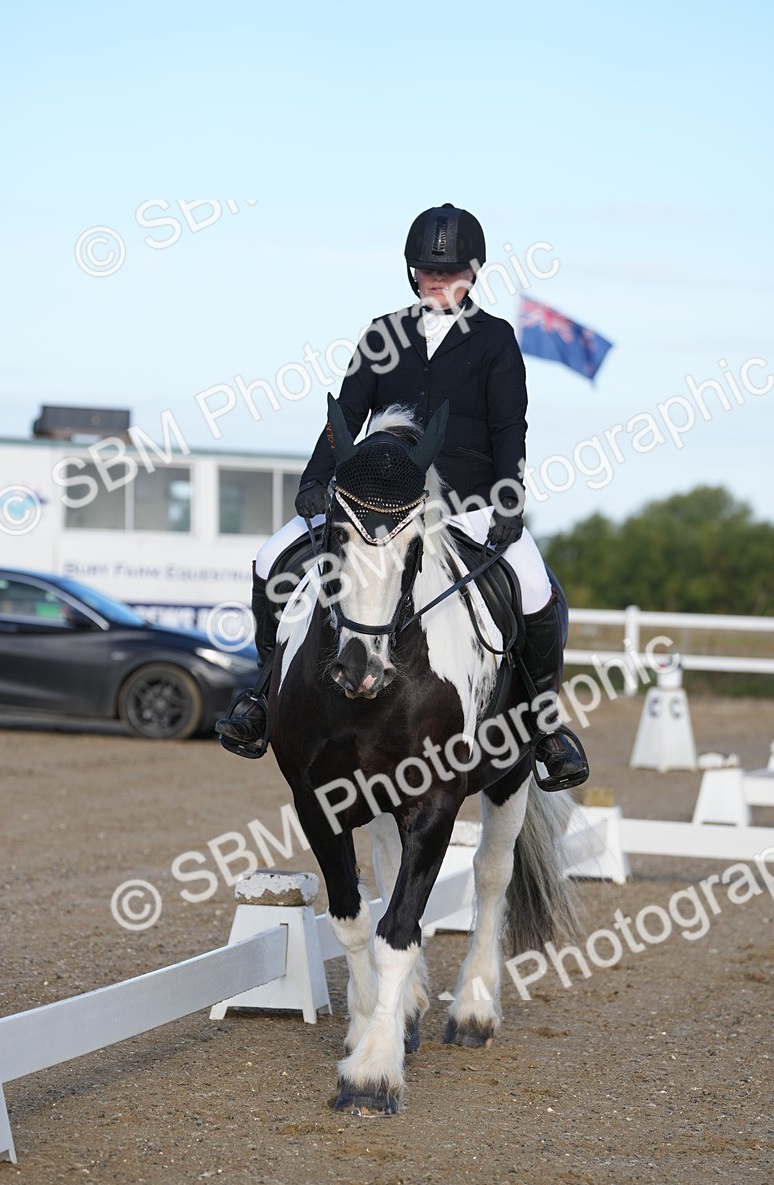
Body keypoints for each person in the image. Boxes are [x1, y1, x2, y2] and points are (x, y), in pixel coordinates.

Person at [216, 203, 588, 789]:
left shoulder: (496, 340)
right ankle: (263, 695)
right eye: (427, 271)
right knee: (270, 559)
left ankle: (545, 730)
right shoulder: (384, 333)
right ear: (412, 272)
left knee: (536, 590)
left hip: (467, 503)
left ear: (473, 273)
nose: (438, 281)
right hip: (379, 500)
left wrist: (510, 501)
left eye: (450, 272)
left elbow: (508, 428)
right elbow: (346, 415)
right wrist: (314, 480)